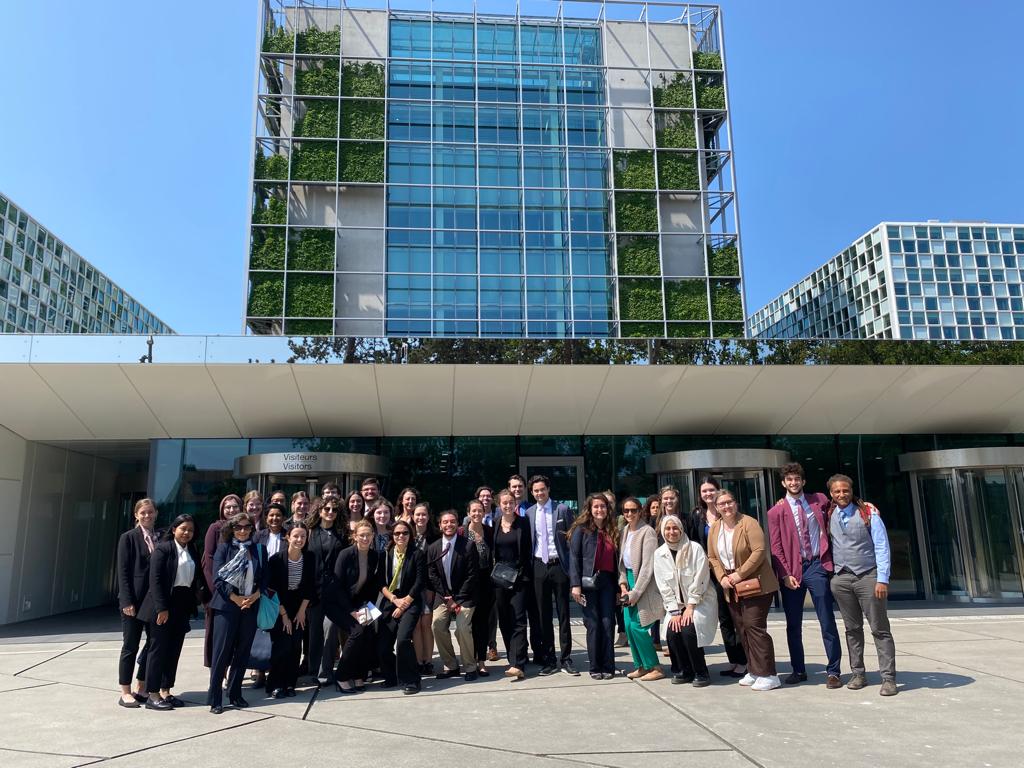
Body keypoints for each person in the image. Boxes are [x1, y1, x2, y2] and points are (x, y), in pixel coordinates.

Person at [767, 462, 842, 688]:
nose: (793, 482)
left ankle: (834, 672)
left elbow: (840, 502)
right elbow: (776, 547)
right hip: (792, 570)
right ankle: (798, 670)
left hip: (817, 566)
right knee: (793, 624)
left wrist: (865, 505)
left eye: (797, 478)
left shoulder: (818, 499)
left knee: (827, 620)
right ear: (783, 483)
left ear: (803, 481)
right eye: (789, 479)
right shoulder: (776, 511)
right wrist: (785, 574)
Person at [826, 474, 898, 696]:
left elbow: (881, 546)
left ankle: (888, 678)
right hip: (842, 577)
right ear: (831, 494)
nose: (841, 494)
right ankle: (858, 673)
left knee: (879, 629)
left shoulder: (868, 513)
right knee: (852, 629)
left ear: (851, 490)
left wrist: (882, 578)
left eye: (845, 490)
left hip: (868, 576)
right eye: (837, 491)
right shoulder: (828, 513)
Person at [708, 489, 781, 691]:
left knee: (754, 627)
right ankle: (754, 670)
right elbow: (712, 557)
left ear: (735, 503)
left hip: (755, 583)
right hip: (730, 585)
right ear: (716, 507)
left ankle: (769, 674)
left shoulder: (748, 523)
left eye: (729, 502)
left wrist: (739, 574)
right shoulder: (715, 528)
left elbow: (759, 551)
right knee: (741, 628)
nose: (726, 506)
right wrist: (721, 576)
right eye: (721, 504)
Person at [138, 514, 209, 710]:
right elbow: (156, 581)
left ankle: (166, 690)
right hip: (161, 605)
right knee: (158, 650)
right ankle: (152, 694)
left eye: (190, 530)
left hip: (182, 604)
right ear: (174, 529)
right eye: (183, 528)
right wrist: (162, 608)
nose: (186, 533)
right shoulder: (163, 548)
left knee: (174, 650)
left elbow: (198, 578)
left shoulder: (192, 549)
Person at [686, 476, 748, 678]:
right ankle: (735, 661)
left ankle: (745, 660)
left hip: (731, 572)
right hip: (709, 574)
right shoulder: (697, 515)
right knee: (724, 618)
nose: (708, 494)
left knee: (737, 615)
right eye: (704, 491)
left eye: (711, 490)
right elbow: (694, 543)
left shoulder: (728, 513)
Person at [207, 512, 267, 713]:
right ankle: (215, 697)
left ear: (252, 529)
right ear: (232, 529)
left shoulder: (259, 550)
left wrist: (255, 596)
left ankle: (235, 693)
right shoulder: (224, 549)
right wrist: (235, 598)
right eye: (238, 527)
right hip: (227, 606)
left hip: (250, 605)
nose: (243, 531)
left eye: (247, 527)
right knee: (222, 652)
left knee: (242, 653)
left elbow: (265, 578)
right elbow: (218, 579)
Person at [653, 514, 716, 687]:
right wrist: (674, 612)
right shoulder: (659, 554)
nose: (671, 532)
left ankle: (700, 671)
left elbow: (701, 579)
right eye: (667, 528)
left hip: (699, 600)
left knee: (689, 630)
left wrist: (690, 606)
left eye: (675, 528)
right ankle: (682, 669)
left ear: (681, 529)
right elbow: (663, 585)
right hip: (676, 605)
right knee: (672, 631)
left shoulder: (694, 549)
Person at [323, 519, 383, 694]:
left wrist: (368, 610)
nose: (365, 538)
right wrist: (352, 612)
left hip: (359, 604)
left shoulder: (374, 556)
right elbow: (338, 587)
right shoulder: (345, 554)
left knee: (367, 632)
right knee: (357, 632)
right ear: (355, 536)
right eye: (361, 535)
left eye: (368, 535)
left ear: (373, 536)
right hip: (337, 604)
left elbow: (370, 587)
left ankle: (359, 675)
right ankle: (341, 676)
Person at [525, 474, 577, 676]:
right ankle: (549, 659)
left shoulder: (562, 509)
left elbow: (572, 541)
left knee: (564, 614)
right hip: (539, 566)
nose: (540, 493)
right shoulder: (529, 513)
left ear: (548, 489)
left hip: (559, 566)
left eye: (542, 489)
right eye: (536, 490)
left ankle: (566, 658)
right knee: (542, 615)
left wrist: (573, 572)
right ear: (532, 492)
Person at [568, 493, 619, 680]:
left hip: (607, 581)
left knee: (608, 623)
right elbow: (574, 558)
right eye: (596, 506)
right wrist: (575, 585)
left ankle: (608, 665)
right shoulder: (581, 530)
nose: (600, 510)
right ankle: (595, 666)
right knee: (593, 624)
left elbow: (617, 560)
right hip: (587, 582)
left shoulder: (612, 529)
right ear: (590, 509)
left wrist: (619, 587)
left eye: (603, 506)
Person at [116, 498, 159, 708]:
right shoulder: (128, 538)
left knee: (152, 645)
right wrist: (126, 600)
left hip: (153, 602)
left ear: (156, 513)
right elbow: (123, 572)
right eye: (143, 512)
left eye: (150, 512)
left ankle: (142, 687)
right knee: (130, 645)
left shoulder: (160, 537)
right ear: (136, 515)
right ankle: (125, 691)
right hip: (133, 602)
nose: (147, 516)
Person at [427, 509, 479, 680]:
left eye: (452, 521)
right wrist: (446, 596)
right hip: (443, 596)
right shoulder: (433, 547)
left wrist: (456, 600)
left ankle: (470, 667)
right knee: (437, 624)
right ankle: (451, 665)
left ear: (457, 524)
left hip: (464, 597)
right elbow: (432, 574)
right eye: (445, 522)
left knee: (462, 628)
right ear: (440, 525)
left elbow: (472, 575)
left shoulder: (468, 545)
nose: (449, 525)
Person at [618, 496, 665, 681]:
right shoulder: (624, 532)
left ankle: (655, 666)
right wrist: (623, 585)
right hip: (628, 582)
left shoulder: (648, 532)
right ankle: (641, 666)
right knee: (628, 627)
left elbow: (647, 566)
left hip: (643, 585)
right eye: (626, 511)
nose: (630, 514)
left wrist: (635, 592)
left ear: (640, 511)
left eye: (633, 510)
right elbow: (621, 563)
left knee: (638, 626)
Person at [376, 519, 426, 694]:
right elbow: (380, 582)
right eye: (397, 533)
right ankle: (391, 676)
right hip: (391, 601)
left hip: (411, 602)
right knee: (383, 644)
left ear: (410, 535)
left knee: (403, 640)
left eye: (405, 533)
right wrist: (393, 600)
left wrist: (404, 603)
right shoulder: (385, 555)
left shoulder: (417, 554)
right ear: (392, 535)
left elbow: (420, 581)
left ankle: (412, 680)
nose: (401, 536)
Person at [267, 525, 314, 698]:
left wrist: (302, 611)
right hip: (280, 606)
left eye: (303, 536)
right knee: (282, 646)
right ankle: (276, 684)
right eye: (296, 536)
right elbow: (271, 590)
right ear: (287, 537)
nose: (299, 540)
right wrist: (284, 616)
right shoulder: (276, 560)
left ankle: (290, 683)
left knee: (296, 645)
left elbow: (310, 587)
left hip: (299, 605)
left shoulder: (309, 558)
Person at [490, 489, 532, 680]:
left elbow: (528, 551)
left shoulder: (523, 523)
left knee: (519, 619)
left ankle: (518, 663)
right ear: (499, 505)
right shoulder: (496, 523)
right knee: (505, 619)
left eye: (511, 502)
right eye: (504, 503)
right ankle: (511, 655)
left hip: (519, 578)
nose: (508, 505)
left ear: (516, 504)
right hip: (500, 579)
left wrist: (523, 574)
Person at [306, 497, 347, 686]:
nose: (330, 512)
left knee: (330, 629)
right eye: (327, 509)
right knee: (314, 633)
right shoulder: (309, 533)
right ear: (319, 510)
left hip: (334, 592)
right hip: (314, 592)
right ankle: (314, 669)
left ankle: (326, 671)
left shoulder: (342, 534)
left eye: (334, 510)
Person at [202, 494, 241, 668]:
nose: (231, 510)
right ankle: (219, 669)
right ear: (222, 509)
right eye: (228, 507)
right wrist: (217, 587)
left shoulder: (242, 528)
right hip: (217, 590)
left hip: (239, 590)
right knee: (217, 633)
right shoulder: (215, 528)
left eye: (235, 507)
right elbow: (209, 558)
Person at [463, 499, 494, 676]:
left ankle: (481, 661)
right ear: (468, 513)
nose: (476, 514)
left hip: (485, 582)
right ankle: (469, 660)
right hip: (467, 583)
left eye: (479, 511)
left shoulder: (489, 531)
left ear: (484, 512)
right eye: (473, 511)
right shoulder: (461, 532)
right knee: (467, 624)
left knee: (482, 623)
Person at [412, 502, 440, 674]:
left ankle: (428, 661)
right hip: (412, 587)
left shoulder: (436, 537)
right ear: (413, 516)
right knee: (415, 625)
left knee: (426, 624)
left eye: (424, 514)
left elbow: (436, 565)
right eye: (417, 514)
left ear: (428, 517)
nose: (421, 518)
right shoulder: (408, 534)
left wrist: (431, 589)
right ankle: (418, 660)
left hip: (429, 586)